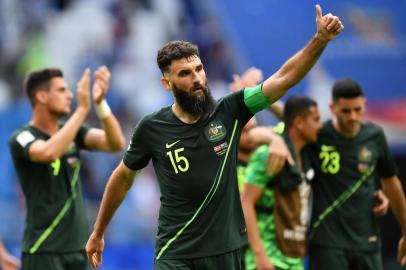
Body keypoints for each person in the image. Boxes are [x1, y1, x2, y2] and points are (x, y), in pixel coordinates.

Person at [85, 5, 344, 269]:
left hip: (225, 253)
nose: (196, 78)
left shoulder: (230, 110)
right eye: (185, 74)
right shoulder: (152, 127)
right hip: (175, 253)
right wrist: (98, 231)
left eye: (199, 69)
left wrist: (320, 39)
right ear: (168, 83)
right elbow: (123, 177)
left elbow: (285, 77)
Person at [8, 66, 125, 270]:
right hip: (43, 249)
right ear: (42, 96)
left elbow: (115, 143)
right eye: (62, 90)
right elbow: (47, 153)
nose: (70, 95)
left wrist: (100, 104)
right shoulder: (22, 136)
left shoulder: (73, 133)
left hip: (79, 249)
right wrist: (81, 110)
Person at [307, 78, 406, 270]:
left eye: (357, 109)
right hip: (328, 244)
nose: (353, 116)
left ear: (364, 105)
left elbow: (392, 185)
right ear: (332, 107)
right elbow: (293, 120)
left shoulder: (375, 136)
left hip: (367, 243)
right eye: (346, 111)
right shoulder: (319, 135)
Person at [242, 96, 321, 270]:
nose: (320, 126)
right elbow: (246, 203)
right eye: (316, 120)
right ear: (299, 123)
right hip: (269, 260)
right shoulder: (268, 154)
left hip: (295, 258)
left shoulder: (307, 153)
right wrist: (260, 256)